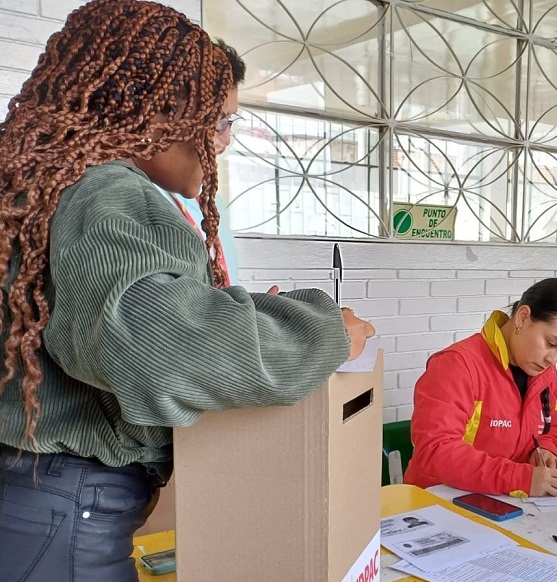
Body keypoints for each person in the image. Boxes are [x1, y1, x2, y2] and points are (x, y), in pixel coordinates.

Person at [0, 1, 372, 580]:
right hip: (65, 507)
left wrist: (229, 315)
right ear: (157, 109)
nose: (224, 142)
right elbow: (156, 348)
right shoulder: (106, 190)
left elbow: (113, 315)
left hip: (32, 491)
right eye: (220, 120)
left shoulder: (42, 181)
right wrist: (324, 332)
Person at [405, 278, 557, 497]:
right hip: (438, 502)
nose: (553, 359)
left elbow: (552, 427)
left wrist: (545, 451)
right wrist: (520, 479)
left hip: (507, 504)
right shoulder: (457, 365)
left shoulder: (545, 374)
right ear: (522, 317)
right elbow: (435, 450)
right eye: (550, 343)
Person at [163, 38, 244, 285]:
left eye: (230, 122)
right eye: (218, 122)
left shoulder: (210, 202)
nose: (226, 140)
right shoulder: (122, 204)